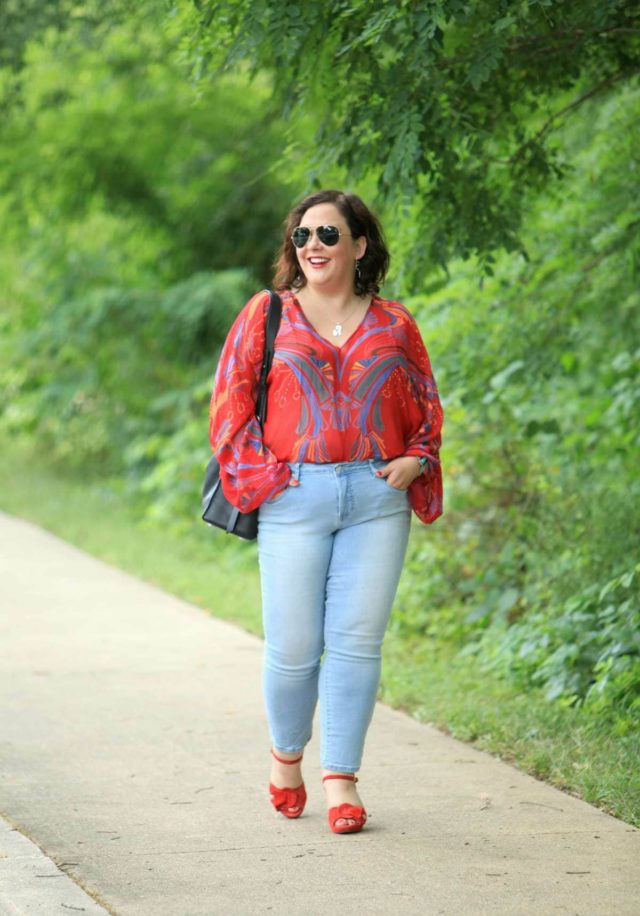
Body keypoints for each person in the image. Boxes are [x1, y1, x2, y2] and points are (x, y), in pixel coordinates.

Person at [209, 189, 443, 834]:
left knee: (356, 646)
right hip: (294, 498)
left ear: (360, 245)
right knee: (293, 648)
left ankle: (342, 778)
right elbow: (230, 404)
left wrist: (418, 458)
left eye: (329, 235)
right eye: (304, 235)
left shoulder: (395, 323)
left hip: (375, 501)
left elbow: (426, 404)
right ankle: (288, 759)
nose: (313, 245)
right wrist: (269, 480)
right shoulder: (268, 314)